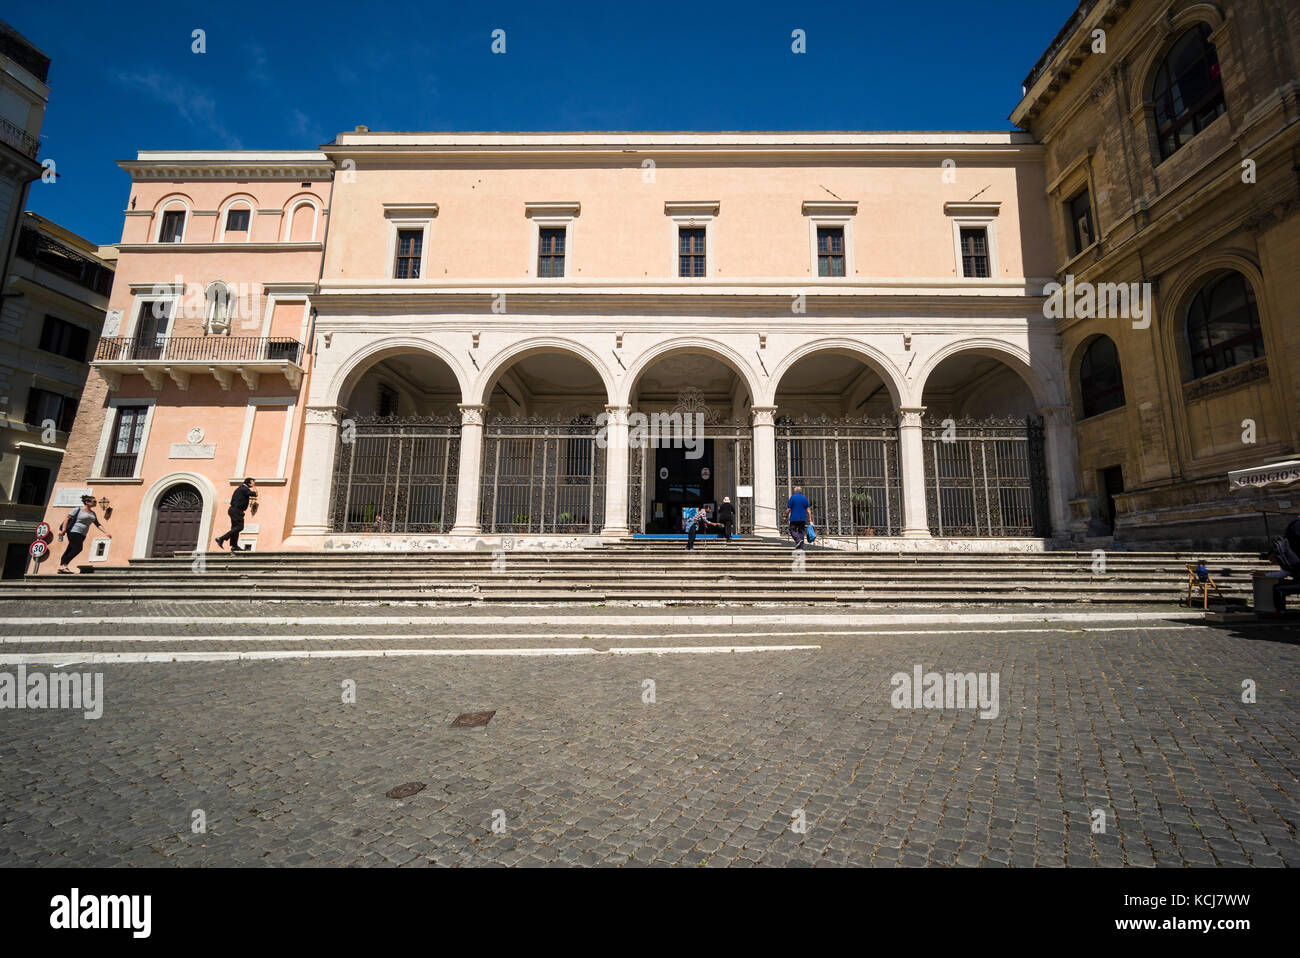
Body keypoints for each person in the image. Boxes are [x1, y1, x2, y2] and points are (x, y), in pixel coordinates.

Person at [57, 495, 110, 573]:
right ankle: (63, 564)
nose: (95, 503)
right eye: (94, 501)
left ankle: (63, 566)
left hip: (83, 534)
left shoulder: (93, 513)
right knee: (78, 548)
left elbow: (97, 524)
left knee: (71, 549)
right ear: (87, 502)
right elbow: (67, 518)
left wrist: (106, 532)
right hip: (74, 531)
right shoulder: (77, 509)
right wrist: (63, 530)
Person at [215, 477, 257, 552]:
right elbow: (255, 494)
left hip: (233, 510)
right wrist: (254, 487)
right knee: (240, 527)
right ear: (249, 482)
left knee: (235, 528)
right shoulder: (244, 489)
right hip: (237, 511)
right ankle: (221, 538)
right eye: (253, 482)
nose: (254, 483)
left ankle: (234, 546)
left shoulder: (240, 488)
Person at [784, 486, 813, 550]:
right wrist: (810, 518)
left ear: (795, 491)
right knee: (801, 532)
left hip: (794, 518)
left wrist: (785, 516)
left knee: (792, 530)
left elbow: (789, 509)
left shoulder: (793, 498)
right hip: (802, 518)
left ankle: (798, 540)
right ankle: (801, 547)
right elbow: (808, 509)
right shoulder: (804, 498)